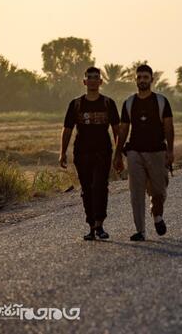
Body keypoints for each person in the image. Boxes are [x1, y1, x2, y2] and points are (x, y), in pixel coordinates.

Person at [113, 64, 174, 241]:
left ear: (151, 80)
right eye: (139, 77)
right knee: (136, 192)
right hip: (134, 153)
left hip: (157, 152)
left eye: (145, 77)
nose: (142, 80)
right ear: (135, 80)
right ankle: (140, 230)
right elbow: (123, 130)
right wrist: (117, 154)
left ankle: (157, 216)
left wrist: (170, 150)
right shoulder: (129, 103)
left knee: (159, 191)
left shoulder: (161, 102)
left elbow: (169, 127)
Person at [60, 67, 120, 241]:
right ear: (84, 81)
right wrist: (62, 152)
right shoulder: (76, 104)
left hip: (103, 152)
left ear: (101, 82)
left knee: (100, 186)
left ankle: (100, 224)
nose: (93, 80)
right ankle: (91, 226)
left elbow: (117, 130)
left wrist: (119, 153)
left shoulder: (108, 103)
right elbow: (67, 129)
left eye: (96, 77)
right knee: (87, 189)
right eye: (90, 77)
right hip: (82, 153)